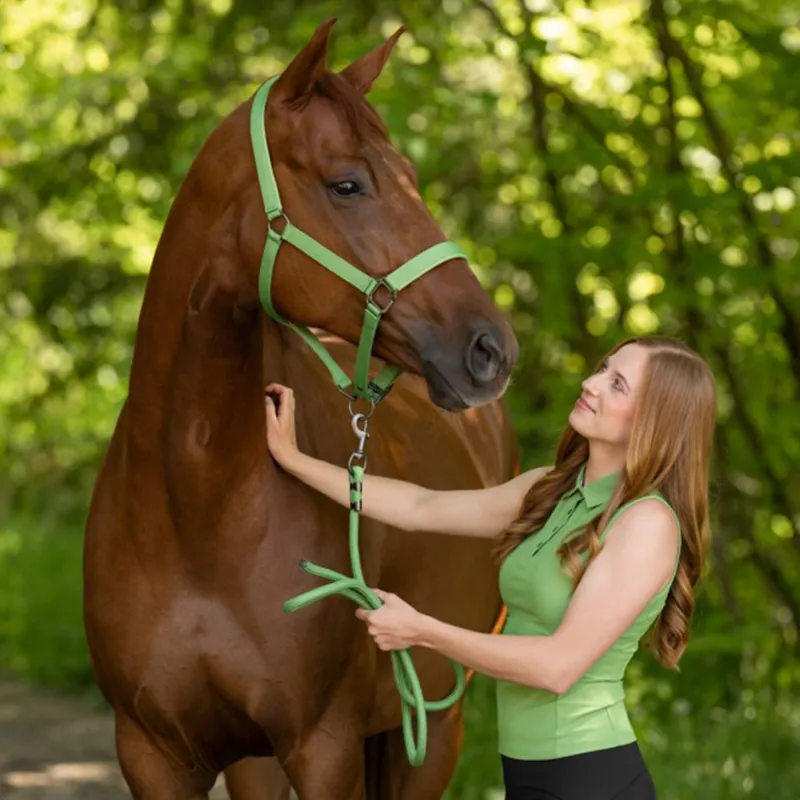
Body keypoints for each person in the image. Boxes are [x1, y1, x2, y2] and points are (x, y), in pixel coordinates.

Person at [264, 335, 717, 800]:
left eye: (617, 384)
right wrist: (295, 461)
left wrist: (421, 631)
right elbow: (422, 507)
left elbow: (558, 667)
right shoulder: (550, 489)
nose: (591, 383)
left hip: (590, 777)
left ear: (654, 421)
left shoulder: (645, 523)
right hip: (529, 771)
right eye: (603, 368)